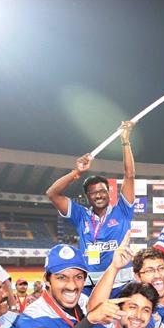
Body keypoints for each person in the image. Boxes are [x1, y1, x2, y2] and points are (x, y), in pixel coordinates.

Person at [45, 122, 136, 290]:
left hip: (122, 285)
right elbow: (52, 193)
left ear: (109, 193)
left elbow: (129, 175)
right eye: (93, 193)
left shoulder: (122, 211)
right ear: (88, 197)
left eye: (102, 191)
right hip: (91, 286)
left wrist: (125, 141)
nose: (99, 195)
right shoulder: (81, 215)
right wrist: (76, 172)